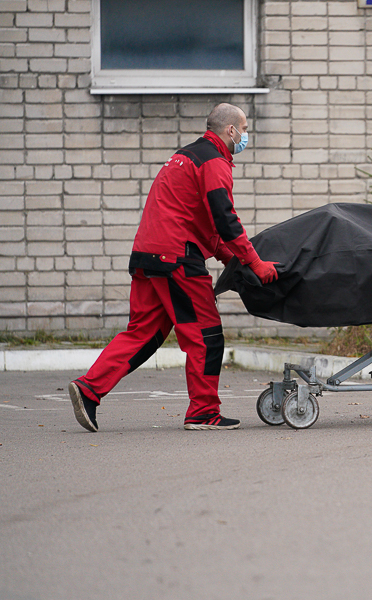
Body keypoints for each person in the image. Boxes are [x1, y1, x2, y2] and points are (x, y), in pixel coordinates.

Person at [68, 103, 279, 432]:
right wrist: (254, 262)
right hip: (177, 258)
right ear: (231, 130)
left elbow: (202, 218)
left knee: (144, 333)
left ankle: (89, 389)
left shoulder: (186, 156)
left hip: (147, 255)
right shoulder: (214, 161)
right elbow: (225, 218)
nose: (246, 135)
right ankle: (203, 413)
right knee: (206, 336)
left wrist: (230, 257)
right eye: (245, 128)